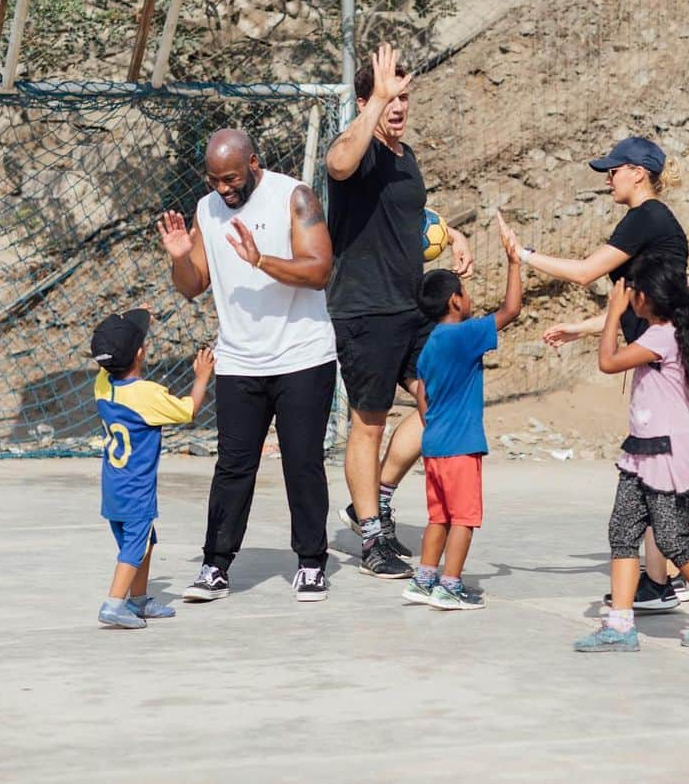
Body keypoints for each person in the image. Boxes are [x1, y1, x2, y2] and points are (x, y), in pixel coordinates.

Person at [499, 136, 689, 611]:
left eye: (615, 169)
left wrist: (523, 256)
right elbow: (636, 305)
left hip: (659, 360)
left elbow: (587, 273)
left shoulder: (647, 217)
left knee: (657, 472)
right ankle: (661, 580)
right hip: (657, 355)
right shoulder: (649, 220)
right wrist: (584, 329)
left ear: (639, 173)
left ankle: (668, 580)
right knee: (654, 469)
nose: (609, 177)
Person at [158, 128, 338, 603]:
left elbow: (320, 270)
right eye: (215, 180)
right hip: (239, 359)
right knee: (233, 467)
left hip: (303, 355)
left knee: (302, 463)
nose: (224, 188)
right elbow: (192, 284)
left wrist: (261, 260)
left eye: (232, 178)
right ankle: (215, 565)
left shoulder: (293, 196)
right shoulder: (206, 209)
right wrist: (179, 258)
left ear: (254, 163)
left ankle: (311, 562)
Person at [326, 42, 474, 579]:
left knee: (441, 400)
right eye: (389, 97)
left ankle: (378, 497)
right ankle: (370, 536)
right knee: (368, 423)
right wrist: (371, 107)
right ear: (367, 99)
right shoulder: (359, 148)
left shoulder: (404, 157)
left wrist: (451, 233)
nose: (398, 106)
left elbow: (411, 214)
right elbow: (336, 163)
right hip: (366, 309)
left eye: (405, 97)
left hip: (413, 305)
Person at [573, 257, 689, 652]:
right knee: (622, 532)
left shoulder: (661, 338)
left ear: (645, 297)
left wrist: (613, 314)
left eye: (632, 293)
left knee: (673, 540)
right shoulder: (665, 333)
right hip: (642, 450)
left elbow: (608, 362)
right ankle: (619, 624)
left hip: (665, 454)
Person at [402, 213, 522, 610]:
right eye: (465, 294)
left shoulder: (432, 343)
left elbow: (422, 397)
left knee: (438, 518)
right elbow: (511, 310)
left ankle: (423, 578)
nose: (469, 299)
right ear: (455, 301)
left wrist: (433, 426)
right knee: (464, 519)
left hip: (434, 445)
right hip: (460, 447)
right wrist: (514, 263)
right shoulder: (465, 334)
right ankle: (450, 585)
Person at [90, 308, 214, 629]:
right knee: (135, 546)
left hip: (113, 488)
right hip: (136, 491)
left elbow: (112, 362)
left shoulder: (102, 385)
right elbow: (188, 410)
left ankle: (139, 600)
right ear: (141, 353)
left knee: (147, 541)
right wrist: (202, 377)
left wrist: (135, 320)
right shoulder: (147, 395)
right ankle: (114, 603)